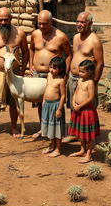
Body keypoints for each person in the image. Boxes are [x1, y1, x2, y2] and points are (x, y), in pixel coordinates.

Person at [0, 7, 29, 137]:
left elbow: (25, 52)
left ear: (11, 19)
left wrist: (23, 70)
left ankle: (14, 127)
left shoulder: (20, 34)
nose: (3, 22)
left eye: (5, 20)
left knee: (14, 101)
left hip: (14, 72)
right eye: (0, 20)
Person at [29, 10, 72, 139]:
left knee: (55, 102)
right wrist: (31, 64)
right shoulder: (35, 34)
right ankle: (44, 128)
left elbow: (69, 55)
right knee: (41, 103)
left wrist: (65, 74)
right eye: (39, 24)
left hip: (54, 76)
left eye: (44, 24)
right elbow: (31, 49)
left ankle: (56, 131)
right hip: (37, 74)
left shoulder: (61, 36)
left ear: (51, 22)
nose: (41, 27)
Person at [63, 11, 104, 143]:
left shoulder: (94, 40)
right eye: (78, 21)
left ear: (90, 24)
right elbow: (74, 56)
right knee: (73, 106)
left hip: (86, 81)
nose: (79, 24)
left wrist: (94, 82)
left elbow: (100, 63)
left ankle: (90, 137)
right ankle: (75, 133)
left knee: (87, 109)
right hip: (73, 78)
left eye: (82, 22)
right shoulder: (75, 37)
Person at [68, 60, 100, 163]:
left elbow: (91, 98)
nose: (80, 74)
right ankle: (82, 150)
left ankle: (89, 154)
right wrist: (73, 102)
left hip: (87, 111)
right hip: (78, 109)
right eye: (79, 71)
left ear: (90, 72)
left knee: (88, 135)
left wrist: (80, 106)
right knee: (81, 132)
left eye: (83, 72)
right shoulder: (80, 80)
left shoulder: (90, 82)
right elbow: (76, 92)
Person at [41, 57, 66, 158]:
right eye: (50, 67)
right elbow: (47, 87)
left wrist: (59, 109)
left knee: (57, 127)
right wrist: (43, 100)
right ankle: (52, 145)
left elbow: (63, 95)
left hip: (56, 106)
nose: (51, 70)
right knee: (49, 127)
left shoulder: (61, 81)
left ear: (60, 69)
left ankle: (58, 149)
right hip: (47, 105)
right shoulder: (49, 75)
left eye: (54, 68)